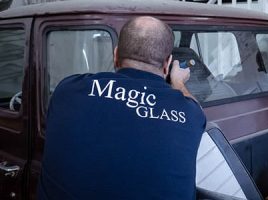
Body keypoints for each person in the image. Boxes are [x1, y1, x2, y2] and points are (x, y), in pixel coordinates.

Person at [37, 16, 206, 200]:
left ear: (115, 55)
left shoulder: (68, 90)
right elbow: (197, 111)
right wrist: (178, 82)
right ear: (166, 64)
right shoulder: (189, 113)